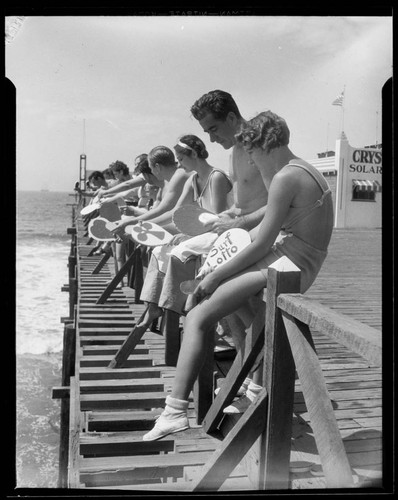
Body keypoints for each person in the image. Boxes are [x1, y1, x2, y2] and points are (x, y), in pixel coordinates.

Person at [142, 110, 334, 441]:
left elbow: (261, 243)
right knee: (240, 308)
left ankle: (174, 411)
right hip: (295, 256)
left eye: (254, 158)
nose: (255, 167)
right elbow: (266, 236)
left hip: (291, 263)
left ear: (265, 146)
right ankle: (255, 385)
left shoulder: (285, 177)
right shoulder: (304, 168)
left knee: (200, 312)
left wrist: (214, 277)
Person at [135, 134, 233, 328]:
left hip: (222, 234)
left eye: (180, 159)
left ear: (194, 154)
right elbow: (177, 214)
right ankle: (154, 305)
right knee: (158, 250)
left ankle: (179, 308)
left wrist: (188, 235)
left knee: (180, 252)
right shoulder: (193, 179)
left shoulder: (217, 177)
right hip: (206, 233)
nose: (179, 164)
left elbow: (219, 221)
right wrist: (151, 230)